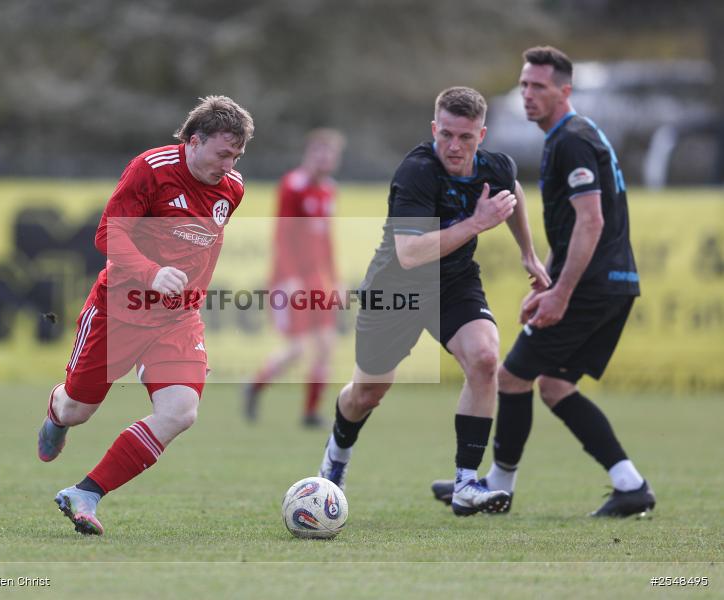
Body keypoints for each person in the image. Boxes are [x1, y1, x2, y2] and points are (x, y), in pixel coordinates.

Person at [431, 46, 655, 517]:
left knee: (511, 375)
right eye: (525, 84)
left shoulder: (571, 139)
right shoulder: (570, 135)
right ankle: (629, 483)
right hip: (613, 282)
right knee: (553, 385)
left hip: (593, 287)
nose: (528, 95)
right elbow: (575, 226)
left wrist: (563, 292)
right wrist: (547, 278)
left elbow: (590, 222)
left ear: (564, 91)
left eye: (539, 87)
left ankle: (499, 484)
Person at [317, 87, 550, 516]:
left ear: (481, 135)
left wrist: (528, 253)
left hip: (454, 284)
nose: (454, 146)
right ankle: (336, 457)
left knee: (484, 359)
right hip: (396, 287)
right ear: (433, 129)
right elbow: (411, 253)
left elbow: (511, 190)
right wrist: (479, 223)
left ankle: (465, 482)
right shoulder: (417, 171)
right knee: (367, 393)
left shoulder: (495, 167)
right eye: (446, 135)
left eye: (465, 137)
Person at [36, 95, 254, 535]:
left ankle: (87, 492)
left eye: (236, 156)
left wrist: (189, 296)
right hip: (118, 311)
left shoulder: (231, 189)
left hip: (176, 319)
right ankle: (58, 412)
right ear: (194, 141)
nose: (229, 165)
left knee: (181, 411)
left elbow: (205, 246)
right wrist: (152, 274)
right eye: (222, 153)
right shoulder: (150, 170)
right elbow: (108, 234)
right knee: (79, 408)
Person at [244, 128, 346, 428]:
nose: (325, 160)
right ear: (309, 154)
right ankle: (256, 385)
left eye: (331, 155)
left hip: (316, 280)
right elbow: (282, 235)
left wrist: (335, 279)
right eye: (320, 153)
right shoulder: (293, 186)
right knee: (298, 349)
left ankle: (311, 413)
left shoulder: (329, 190)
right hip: (291, 279)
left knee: (326, 344)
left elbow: (327, 240)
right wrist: (288, 278)